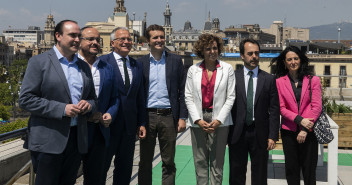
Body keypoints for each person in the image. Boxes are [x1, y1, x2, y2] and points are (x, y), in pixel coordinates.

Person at [18, 20, 97, 185]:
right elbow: (26, 99)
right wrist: (62, 109)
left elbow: (93, 99)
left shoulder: (83, 66)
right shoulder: (39, 62)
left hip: (76, 140)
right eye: (72, 35)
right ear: (58, 36)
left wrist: (88, 105)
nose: (77, 39)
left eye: (79, 36)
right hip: (48, 141)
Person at [137, 24, 187, 185]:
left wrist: (182, 117)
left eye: (161, 36)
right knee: (145, 162)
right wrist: (140, 121)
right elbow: (138, 94)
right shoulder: (141, 63)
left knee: (168, 162)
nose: (159, 40)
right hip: (148, 116)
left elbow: (182, 91)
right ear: (148, 41)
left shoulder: (175, 60)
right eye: (155, 37)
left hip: (168, 116)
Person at [228, 38, 280, 185]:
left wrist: (272, 135)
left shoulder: (269, 79)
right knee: (236, 173)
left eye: (257, 53)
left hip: (260, 134)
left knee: (260, 175)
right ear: (242, 56)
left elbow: (274, 110)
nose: (254, 57)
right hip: (237, 133)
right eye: (250, 53)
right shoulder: (232, 77)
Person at [185, 33, 236, 185]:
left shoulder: (227, 69)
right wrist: (198, 119)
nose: (212, 51)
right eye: (208, 48)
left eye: (215, 48)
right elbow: (188, 97)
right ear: (202, 50)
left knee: (217, 162)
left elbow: (231, 96)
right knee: (200, 161)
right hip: (199, 119)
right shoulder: (193, 70)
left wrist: (219, 119)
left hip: (219, 120)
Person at [100, 27, 146, 185]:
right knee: (101, 168)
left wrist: (141, 122)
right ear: (113, 43)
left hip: (129, 128)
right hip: (107, 126)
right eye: (122, 39)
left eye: (129, 39)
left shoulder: (136, 65)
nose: (127, 42)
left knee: (124, 169)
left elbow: (140, 97)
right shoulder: (102, 63)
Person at [271, 46, 321, 185]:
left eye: (296, 58)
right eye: (289, 59)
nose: (293, 62)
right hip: (289, 132)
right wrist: (300, 120)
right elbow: (281, 107)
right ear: (285, 63)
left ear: (301, 60)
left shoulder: (313, 80)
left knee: (309, 172)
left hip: (309, 132)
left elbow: (316, 107)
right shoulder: (279, 82)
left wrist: (305, 129)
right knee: (292, 171)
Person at [78, 26, 119, 185]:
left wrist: (110, 113)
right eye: (90, 39)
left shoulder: (106, 68)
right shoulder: (71, 65)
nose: (95, 43)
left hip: (99, 131)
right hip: (75, 130)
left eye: (98, 40)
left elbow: (114, 98)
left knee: (96, 178)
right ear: (80, 41)